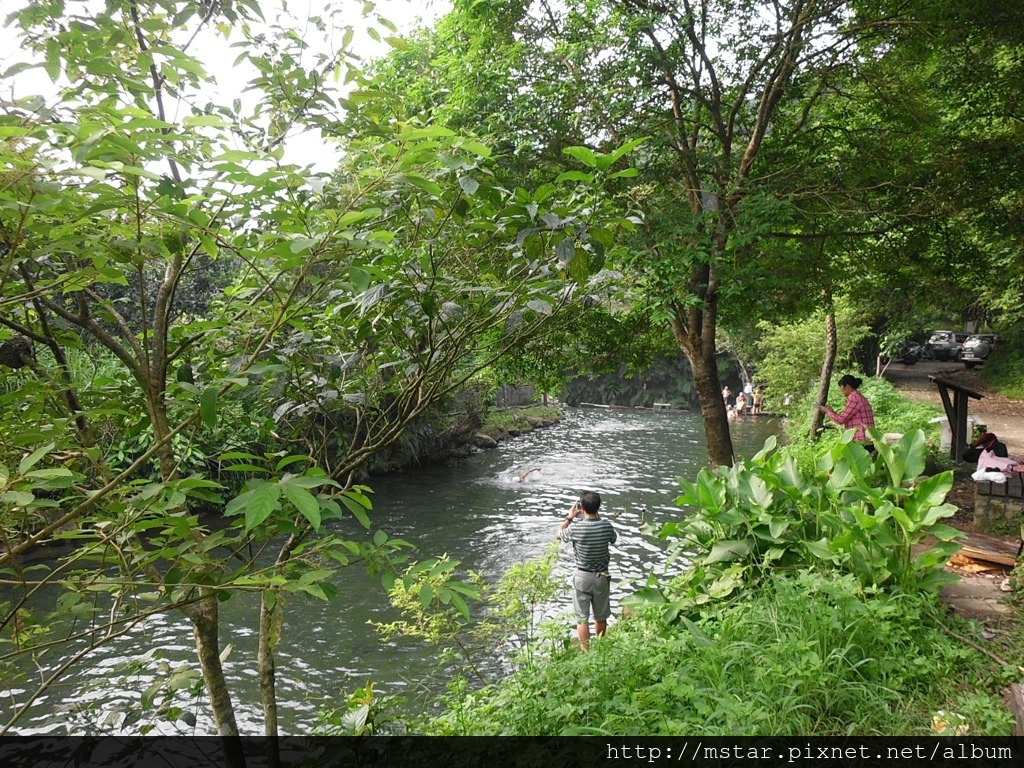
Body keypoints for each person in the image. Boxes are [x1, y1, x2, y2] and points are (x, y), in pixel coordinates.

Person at [556, 491, 617, 650]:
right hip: (602, 576)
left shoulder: (576, 528)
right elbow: (613, 539)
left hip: (582, 577)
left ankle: (586, 652)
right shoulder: (606, 525)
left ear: (581, 507)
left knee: (582, 618)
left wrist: (570, 517)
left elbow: (558, 535)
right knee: (601, 616)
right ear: (599, 507)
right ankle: (601, 648)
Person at [819, 374, 876, 444]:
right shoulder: (859, 397)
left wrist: (827, 411)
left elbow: (841, 420)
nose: (841, 389)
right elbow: (845, 417)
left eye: (842, 387)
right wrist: (831, 411)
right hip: (868, 438)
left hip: (861, 440)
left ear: (847, 386)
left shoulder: (854, 399)